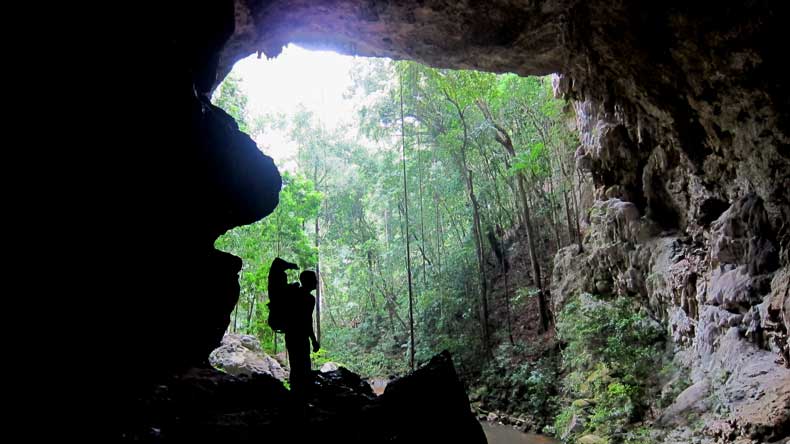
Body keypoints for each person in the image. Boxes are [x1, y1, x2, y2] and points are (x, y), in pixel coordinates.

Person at [285, 269, 320, 397]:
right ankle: (302, 399)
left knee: (295, 366)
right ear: (308, 281)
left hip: (290, 335)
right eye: (314, 279)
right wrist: (313, 340)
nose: (316, 282)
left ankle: (295, 396)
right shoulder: (309, 299)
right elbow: (307, 321)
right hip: (300, 338)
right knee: (304, 367)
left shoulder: (294, 294)